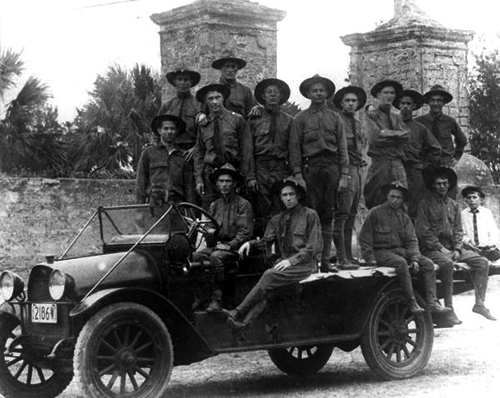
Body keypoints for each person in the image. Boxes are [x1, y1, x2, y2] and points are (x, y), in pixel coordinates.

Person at [225, 176, 322, 333]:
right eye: (284, 195)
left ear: (298, 196)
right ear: (280, 198)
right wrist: (250, 243)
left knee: (269, 275)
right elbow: (266, 241)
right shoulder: (277, 219)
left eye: (291, 194)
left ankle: (238, 311)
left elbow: (313, 247)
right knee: (267, 289)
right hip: (286, 266)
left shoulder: (310, 215)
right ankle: (244, 325)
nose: (288, 198)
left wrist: (291, 261)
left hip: (305, 265)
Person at [416, 167, 496, 322]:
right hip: (432, 249)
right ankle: (449, 309)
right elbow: (423, 232)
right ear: (433, 185)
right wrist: (440, 248)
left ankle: (480, 303)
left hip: (453, 248)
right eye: (438, 184)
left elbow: (458, 230)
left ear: (449, 185)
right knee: (447, 264)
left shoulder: (453, 205)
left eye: (445, 183)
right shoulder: (425, 205)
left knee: (482, 262)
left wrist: (458, 248)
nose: (442, 186)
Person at [359, 181, 450, 314]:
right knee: (401, 263)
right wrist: (369, 258)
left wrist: (414, 259)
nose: (395, 200)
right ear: (387, 196)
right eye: (392, 197)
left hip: (399, 251)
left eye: (398, 198)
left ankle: (432, 301)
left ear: (402, 200)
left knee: (428, 264)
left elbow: (412, 241)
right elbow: (365, 238)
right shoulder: (375, 213)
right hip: (380, 251)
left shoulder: (404, 217)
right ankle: (411, 301)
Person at [289, 74, 349, 272]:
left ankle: (325, 260)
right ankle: (312, 261)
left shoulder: (335, 118)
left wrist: (344, 175)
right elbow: (295, 149)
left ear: (327, 93)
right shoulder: (300, 119)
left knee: (328, 214)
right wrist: (298, 175)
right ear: (308, 93)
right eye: (314, 90)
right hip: (311, 170)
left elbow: (342, 147)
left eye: (321, 90)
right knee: (312, 215)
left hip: (332, 169)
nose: (318, 93)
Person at [192, 163, 254, 312]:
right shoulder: (214, 205)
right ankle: (201, 298)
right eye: (221, 181)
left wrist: (230, 245)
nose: (224, 185)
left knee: (216, 257)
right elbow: (208, 229)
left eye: (228, 181)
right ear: (217, 184)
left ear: (234, 184)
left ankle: (216, 300)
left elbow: (245, 232)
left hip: (236, 250)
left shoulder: (243, 205)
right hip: (217, 246)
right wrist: (207, 231)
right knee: (194, 256)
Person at [242, 78, 293, 237]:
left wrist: (292, 174)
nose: (272, 96)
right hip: (260, 168)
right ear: (263, 97)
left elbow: (292, 150)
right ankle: (263, 251)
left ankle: (280, 250)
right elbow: (248, 149)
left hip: (280, 168)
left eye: (275, 92)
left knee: (281, 207)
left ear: (281, 96)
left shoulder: (289, 121)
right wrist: (250, 176)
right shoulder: (254, 118)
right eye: (268, 92)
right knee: (261, 210)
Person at [194, 83, 246, 209]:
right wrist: (199, 179)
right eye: (210, 99)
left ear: (223, 99)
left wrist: (245, 176)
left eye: (218, 98)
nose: (215, 102)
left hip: (232, 173)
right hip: (210, 175)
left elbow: (245, 150)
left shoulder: (237, 119)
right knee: (210, 211)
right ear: (206, 102)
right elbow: (199, 153)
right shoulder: (204, 124)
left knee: (233, 210)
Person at [332, 85, 367, 269]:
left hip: (357, 171)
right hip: (344, 171)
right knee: (342, 214)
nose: (351, 104)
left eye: (354, 101)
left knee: (352, 213)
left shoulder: (359, 123)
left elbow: (361, 147)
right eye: (347, 100)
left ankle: (349, 256)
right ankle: (341, 257)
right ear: (341, 103)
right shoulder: (337, 121)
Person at [394, 89, 441, 220]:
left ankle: (414, 236)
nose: (405, 106)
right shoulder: (392, 125)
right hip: (395, 168)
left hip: (414, 170)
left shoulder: (420, 128)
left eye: (408, 104)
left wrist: (425, 165)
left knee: (415, 204)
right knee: (395, 201)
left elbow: (436, 148)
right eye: (402, 103)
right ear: (398, 105)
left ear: (414, 106)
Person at [415, 85, 467, 198]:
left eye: (439, 100)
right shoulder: (419, 122)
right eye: (432, 100)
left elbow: (462, 140)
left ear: (443, 103)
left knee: (448, 198)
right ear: (428, 102)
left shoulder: (450, 121)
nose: (435, 103)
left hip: (445, 165)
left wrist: (456, 157)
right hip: (427, 165)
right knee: (426, 197)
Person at [363, 79, 409, 209]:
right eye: (386, 92)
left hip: (397, 162)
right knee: (375, 197)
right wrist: (396, 135)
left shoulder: (396, 116)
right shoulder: (371, 114)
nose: (389, 96)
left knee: (402, 197)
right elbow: (375, 138)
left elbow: (406, 136)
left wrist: (387, 133)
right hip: (380, 162)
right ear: (378, 95)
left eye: (392, 93)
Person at [135, 114, 194, 205]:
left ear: (177, 131)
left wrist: (191, 211)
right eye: (165, 128)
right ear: (159, 131)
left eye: (172, 129)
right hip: (154, 205)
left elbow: (189, 188)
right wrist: (139, 210)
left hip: (177, 206)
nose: (169, 132)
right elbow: (140, 183)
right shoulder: (148, 153)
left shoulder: (183, 156)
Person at [158, 66, 202, 159]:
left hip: (192, 150)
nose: (183, 83)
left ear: (191, 82)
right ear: (175, 82)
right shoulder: (167, 106)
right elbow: (157, 129)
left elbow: (205, 131)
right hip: (171, 148)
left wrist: (196, 148)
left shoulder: (199, 105)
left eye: (186, 80)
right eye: (180, 79)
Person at [461, 185, 500, 262]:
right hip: (471, 248)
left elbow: (493, 231)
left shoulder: (486, 213)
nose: (472, 200)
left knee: (496, 255)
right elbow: (462, 232)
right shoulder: (463, 214)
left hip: (486, 247)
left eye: (474, 197)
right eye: (469, 198)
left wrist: (491, 244)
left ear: (480, 199)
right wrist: (469, 243)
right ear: (466, 200)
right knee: (471, 257)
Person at [212, 52, 257, 119]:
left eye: (233, 67)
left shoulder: (245, 91)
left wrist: (258, 108)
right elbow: (202, 111)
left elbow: (252, 114)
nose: (230, 70)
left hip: (239, 128)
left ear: (237, 69)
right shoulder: (211, 89)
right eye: (227, 66)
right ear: (220, 68)